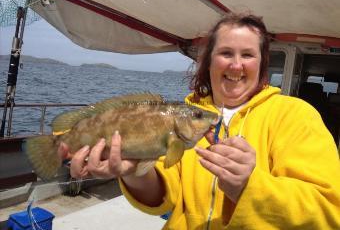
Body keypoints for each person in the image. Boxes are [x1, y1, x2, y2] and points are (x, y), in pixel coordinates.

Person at [59, 13, 340, 229]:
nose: (236, 64)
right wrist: (133, 172)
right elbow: (163, 198)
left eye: (248, 55)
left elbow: (330, 212)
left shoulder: (295, 115)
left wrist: (252, 186)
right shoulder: (183, 114)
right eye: (226, 53)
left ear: (262, 63)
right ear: (209, 61)